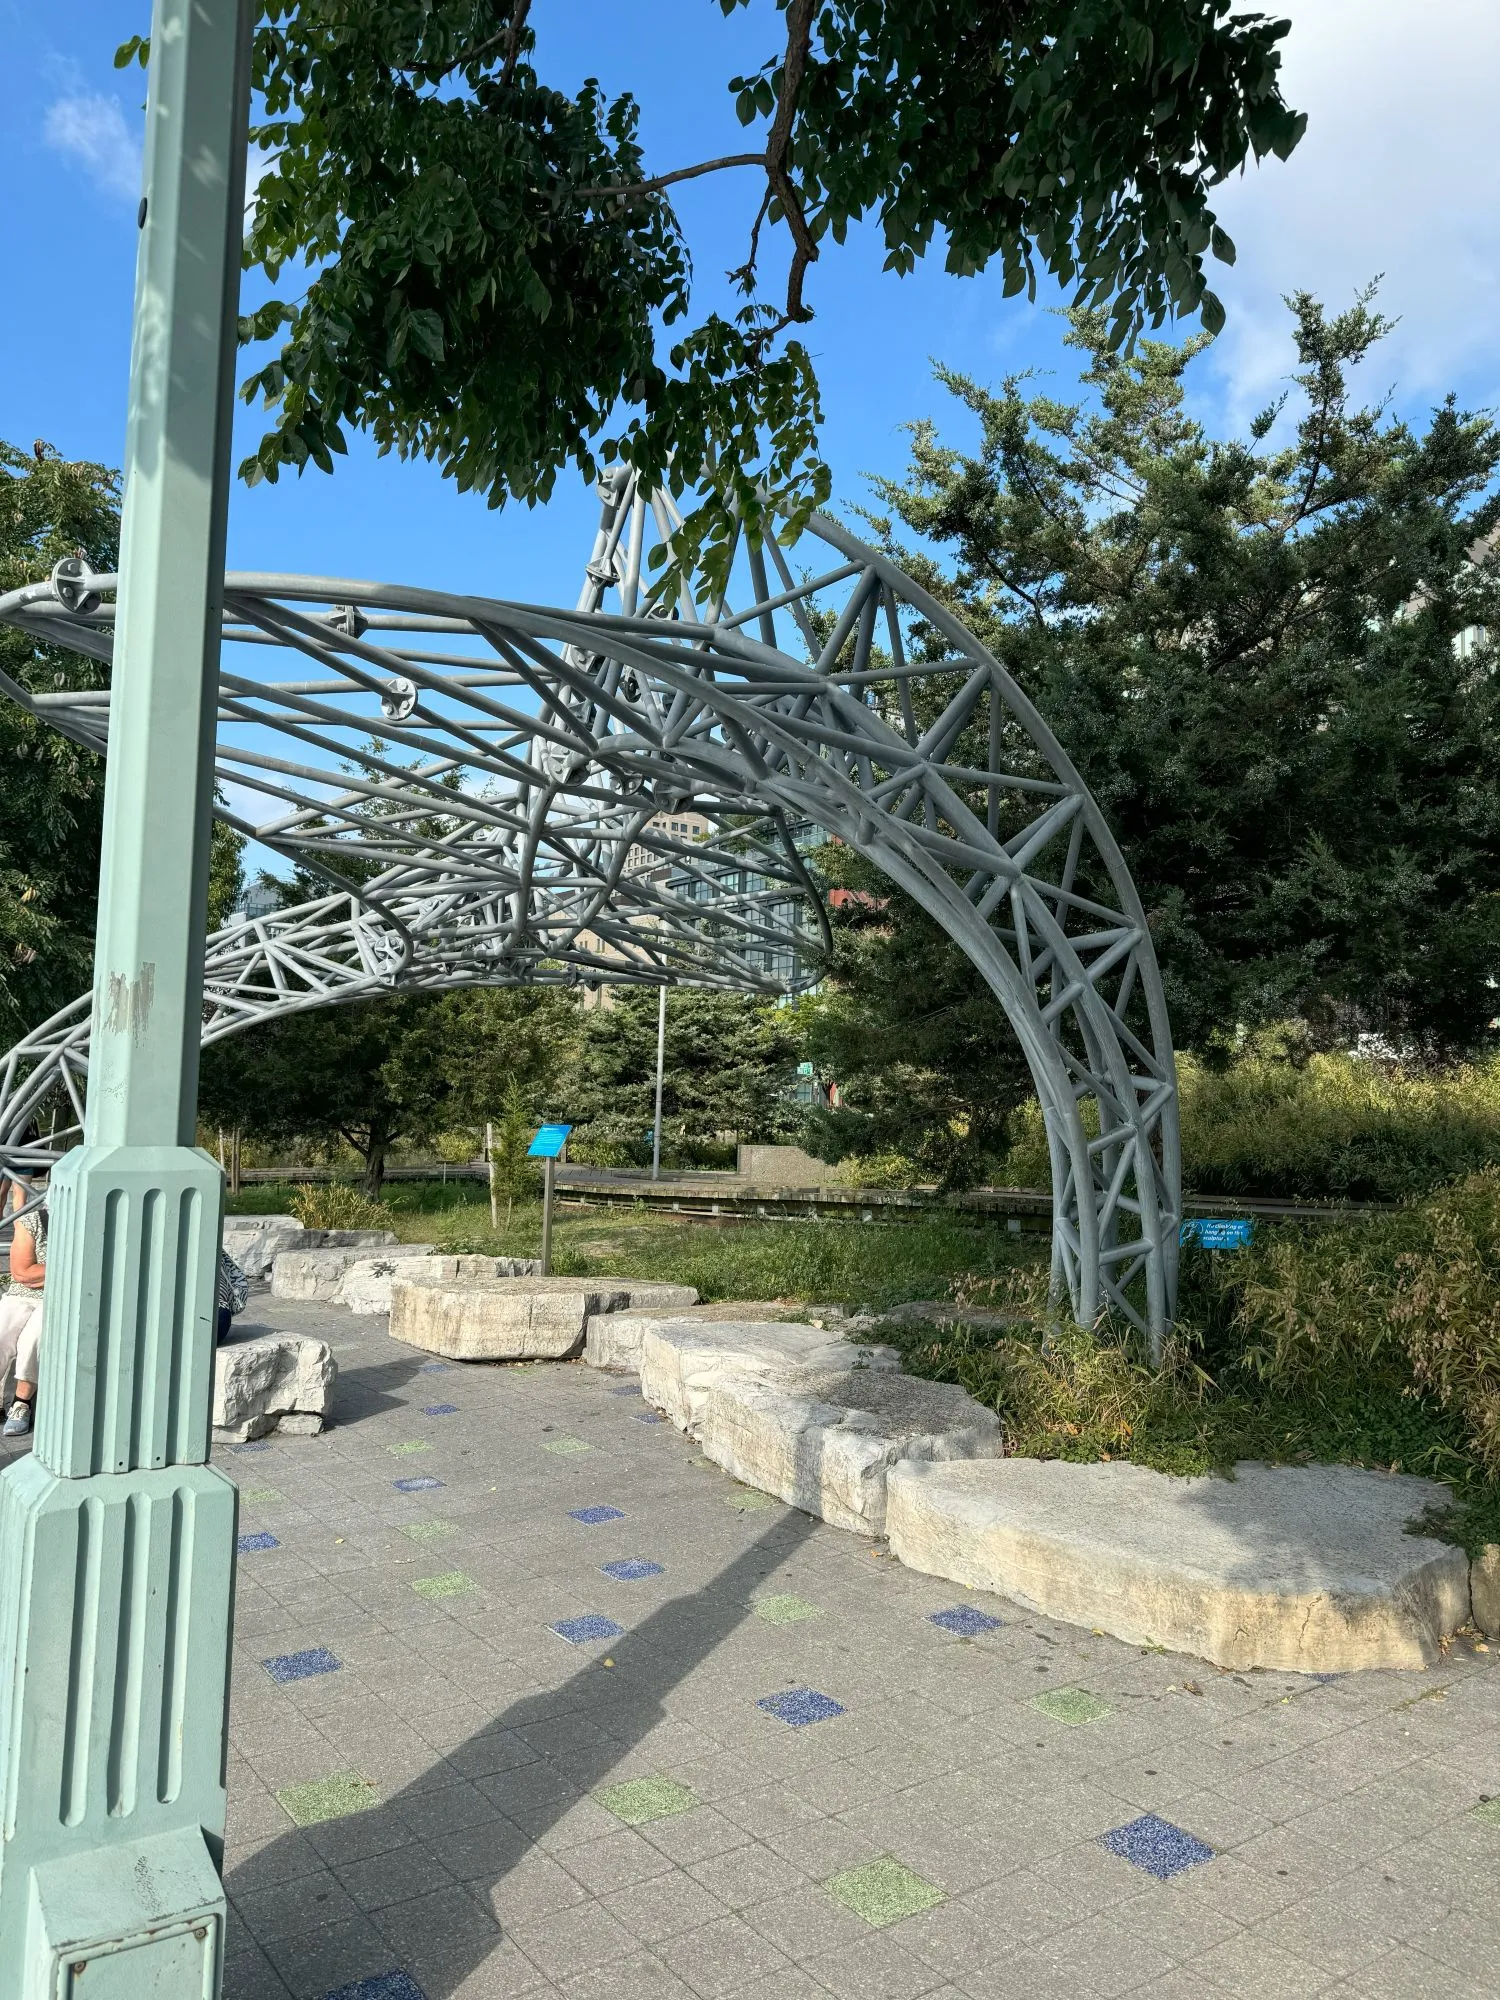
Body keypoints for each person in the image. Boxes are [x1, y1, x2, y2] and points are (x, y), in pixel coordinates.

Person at [0, 1177, 46, 1437]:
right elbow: (22, 1272)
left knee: (33, 1339)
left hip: (58, 1297)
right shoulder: (31, 1222)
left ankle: (21, 1403)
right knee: (1, 1331)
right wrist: (68, 1266)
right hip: (21, 1294)